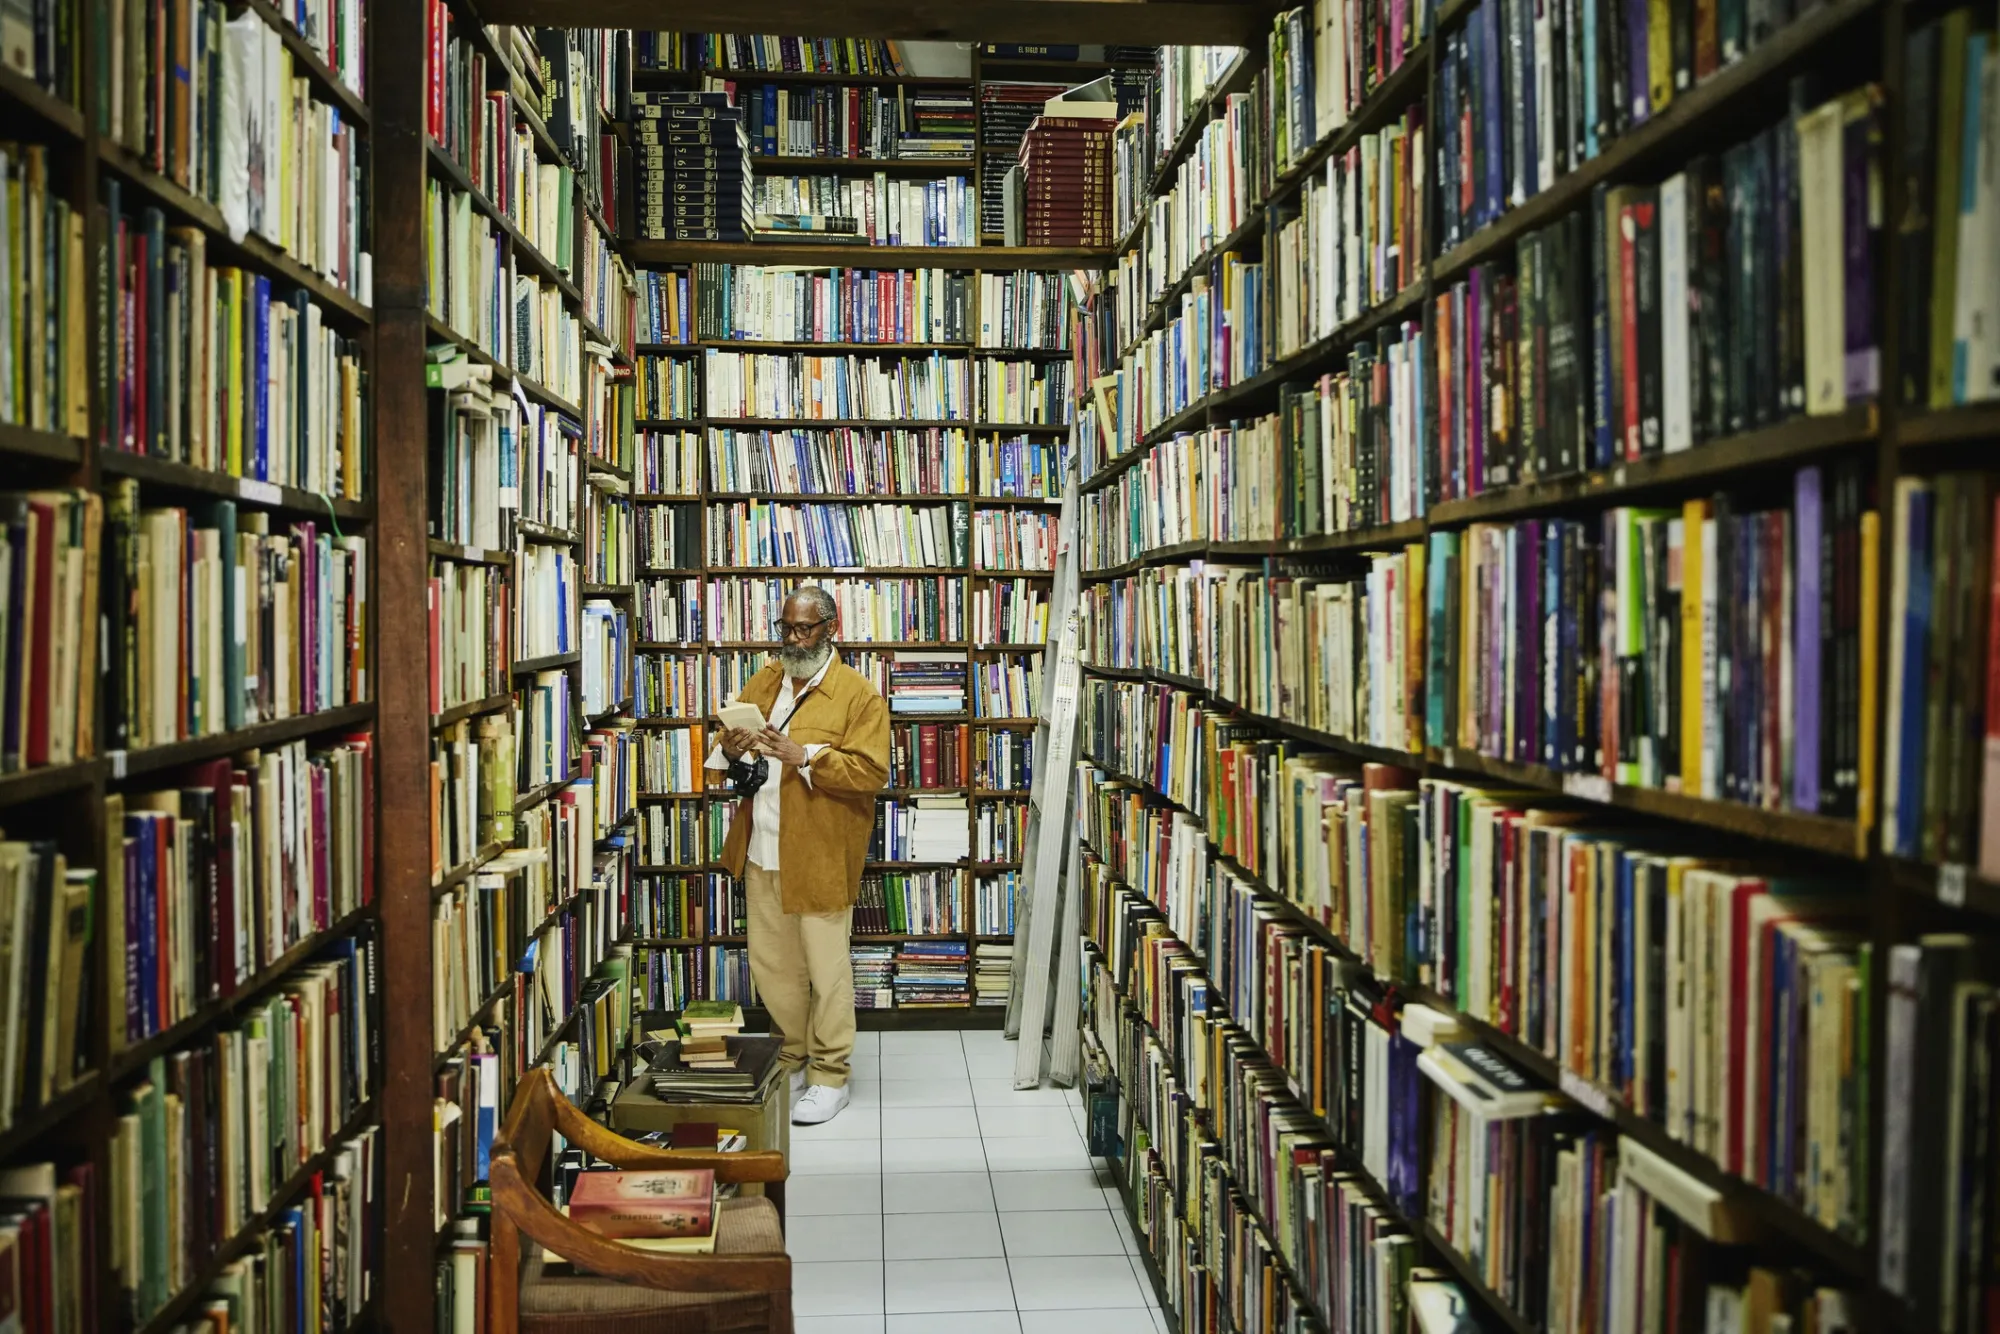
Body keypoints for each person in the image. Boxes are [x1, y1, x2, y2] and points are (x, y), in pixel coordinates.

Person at [708, 586, 888, 1125]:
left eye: (804, 629)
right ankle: (794, 1051)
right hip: (762, 847)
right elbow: (727, 753)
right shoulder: (764, 680)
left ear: (830, 628)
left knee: (826, 970)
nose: (792, 638)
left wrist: (803, 756)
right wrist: (732, 750)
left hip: (820, 855)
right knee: (772, 966)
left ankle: (831, 1074)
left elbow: (870, 774)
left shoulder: (858, 695)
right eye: (785, 627)